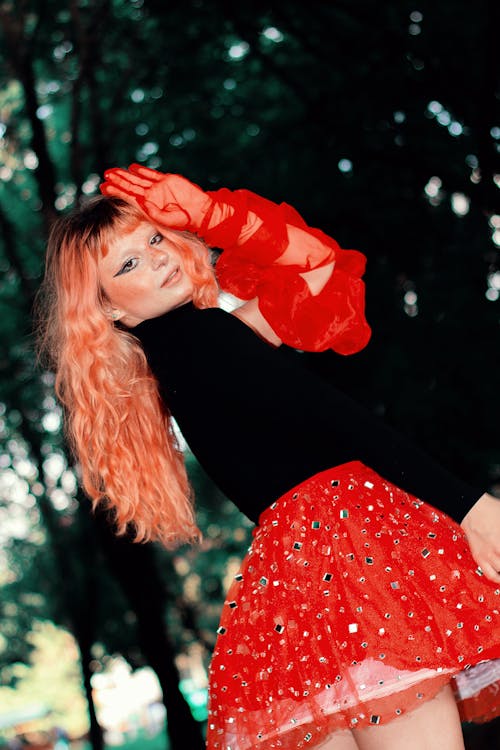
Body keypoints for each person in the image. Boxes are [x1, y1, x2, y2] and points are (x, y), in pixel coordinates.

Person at [35, 164, 500, 750]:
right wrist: (472, 508)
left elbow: (320, 269)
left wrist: (208, 216)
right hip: (350, 553)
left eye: (154, 238)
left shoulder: (194, 355)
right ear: (108, 311)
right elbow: (339, 419)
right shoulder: (207, 340)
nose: (156, 257)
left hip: (295, 582)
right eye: (127, 264)